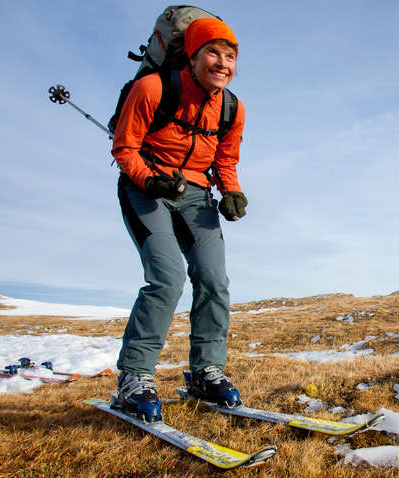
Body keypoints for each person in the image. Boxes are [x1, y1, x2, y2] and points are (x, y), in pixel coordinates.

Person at [110, 17, 248, 421]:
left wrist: (232, 192)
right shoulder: (152, 88)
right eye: (213, 53)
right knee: (167, 278)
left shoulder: (232, 108)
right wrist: (151, 182)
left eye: (230, 56)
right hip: (145, 188)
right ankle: (134, 378)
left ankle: (207, 371)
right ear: (193, 55)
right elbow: (124, 148)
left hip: (196, 195)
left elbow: (226, 159)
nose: (222, 63)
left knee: (213, 279)